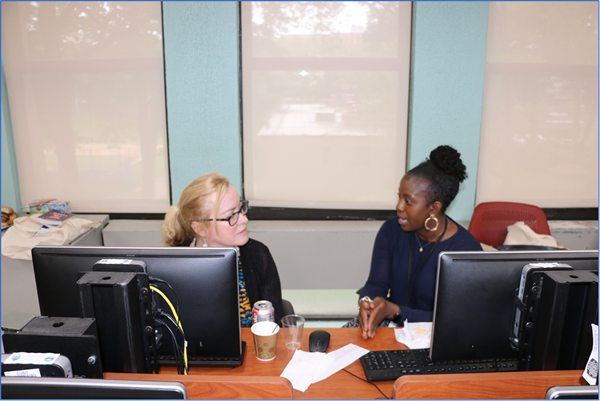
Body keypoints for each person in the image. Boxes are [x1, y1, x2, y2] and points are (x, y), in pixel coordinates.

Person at [350, 145, 483, 339]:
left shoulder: (466, 251)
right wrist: (367, 302)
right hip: (389, 329)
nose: (399, 207)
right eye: (399, 197)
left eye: (408, 201)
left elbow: (457, 320)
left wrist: (396, 312)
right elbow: (376, 283)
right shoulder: (391, 230)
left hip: (437, 337)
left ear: (433, 207)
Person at [161, 172, 284, 326]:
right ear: (200, 228)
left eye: (241, 209)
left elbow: (275, 323)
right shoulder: (175, 265)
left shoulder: (257, 254)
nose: (244, 219)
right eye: (231, 216)